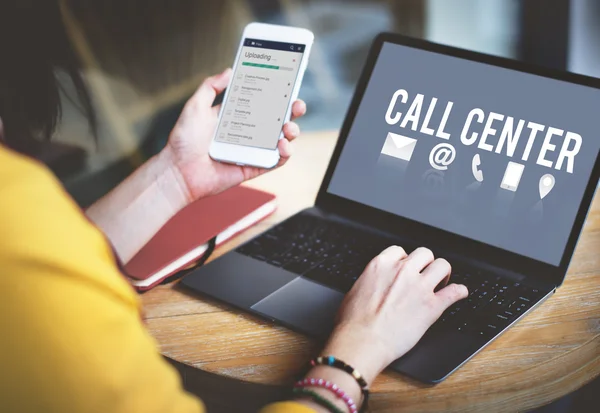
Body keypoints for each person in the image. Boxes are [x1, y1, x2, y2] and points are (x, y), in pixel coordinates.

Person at [0, 2, 468, 412]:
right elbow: (34, 266)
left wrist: (175, 176)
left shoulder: (21, 208)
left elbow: (55, 254)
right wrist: (361, 347)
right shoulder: (17, 223)